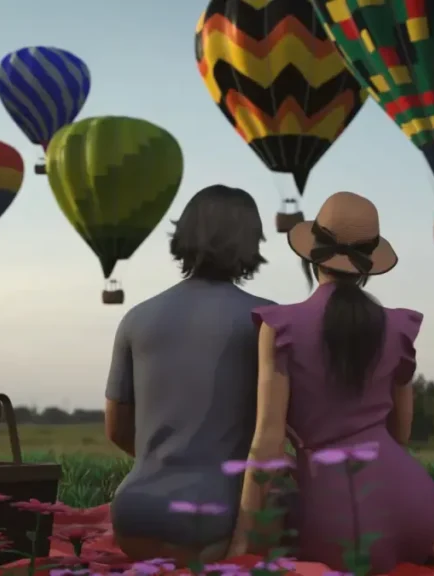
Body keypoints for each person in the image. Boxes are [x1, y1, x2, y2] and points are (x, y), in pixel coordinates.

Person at [226, 192, 434, 572]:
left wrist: (240, 544)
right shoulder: (399, 328)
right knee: (387, 526)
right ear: (367, 266)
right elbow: (400, 433)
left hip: (341, 526)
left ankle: (432, 542)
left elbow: (267, 442)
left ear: (311, 257)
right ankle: (432, 540)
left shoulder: (281, 327)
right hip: (414, 503)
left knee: (284, 511)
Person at [104, 184, 275, 563]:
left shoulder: (136, 317)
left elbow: (116, 429)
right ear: (251, 242)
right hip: (213, 520)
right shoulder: (268, 321)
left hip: (132, 515)